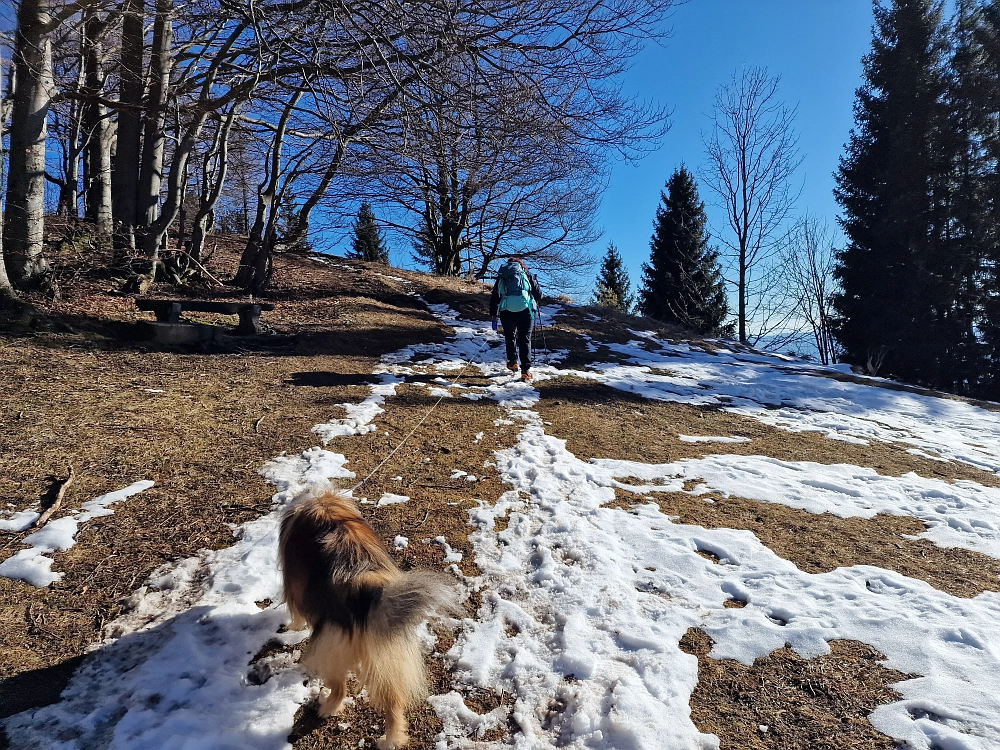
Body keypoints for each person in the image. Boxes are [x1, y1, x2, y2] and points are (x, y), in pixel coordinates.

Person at [490, 256, 543, 381]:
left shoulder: (503, 277)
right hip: (526, 310)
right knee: (525, 339)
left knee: (510, 336)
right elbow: (539, 294)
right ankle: (525, 371)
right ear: (521, 265)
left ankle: (513, 362)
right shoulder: (526, 274)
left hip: (506, 310)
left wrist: (493, 313)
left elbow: (495, 295)